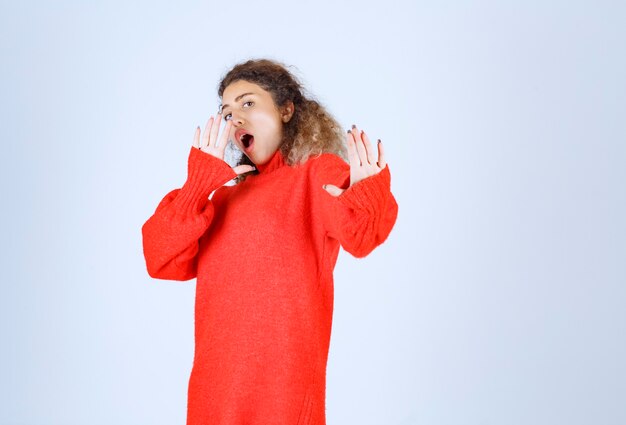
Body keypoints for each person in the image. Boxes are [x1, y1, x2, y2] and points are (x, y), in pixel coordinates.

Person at [141, 58, 398, 425]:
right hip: (214, 396)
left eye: (247, 103)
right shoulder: (222, 199)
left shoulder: (315, 172)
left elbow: (362, 233)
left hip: (284, 397)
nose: (236, 119)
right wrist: (197, 186)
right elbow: (160, 258)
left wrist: (367, 189)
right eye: (227, 113)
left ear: (286, 110)